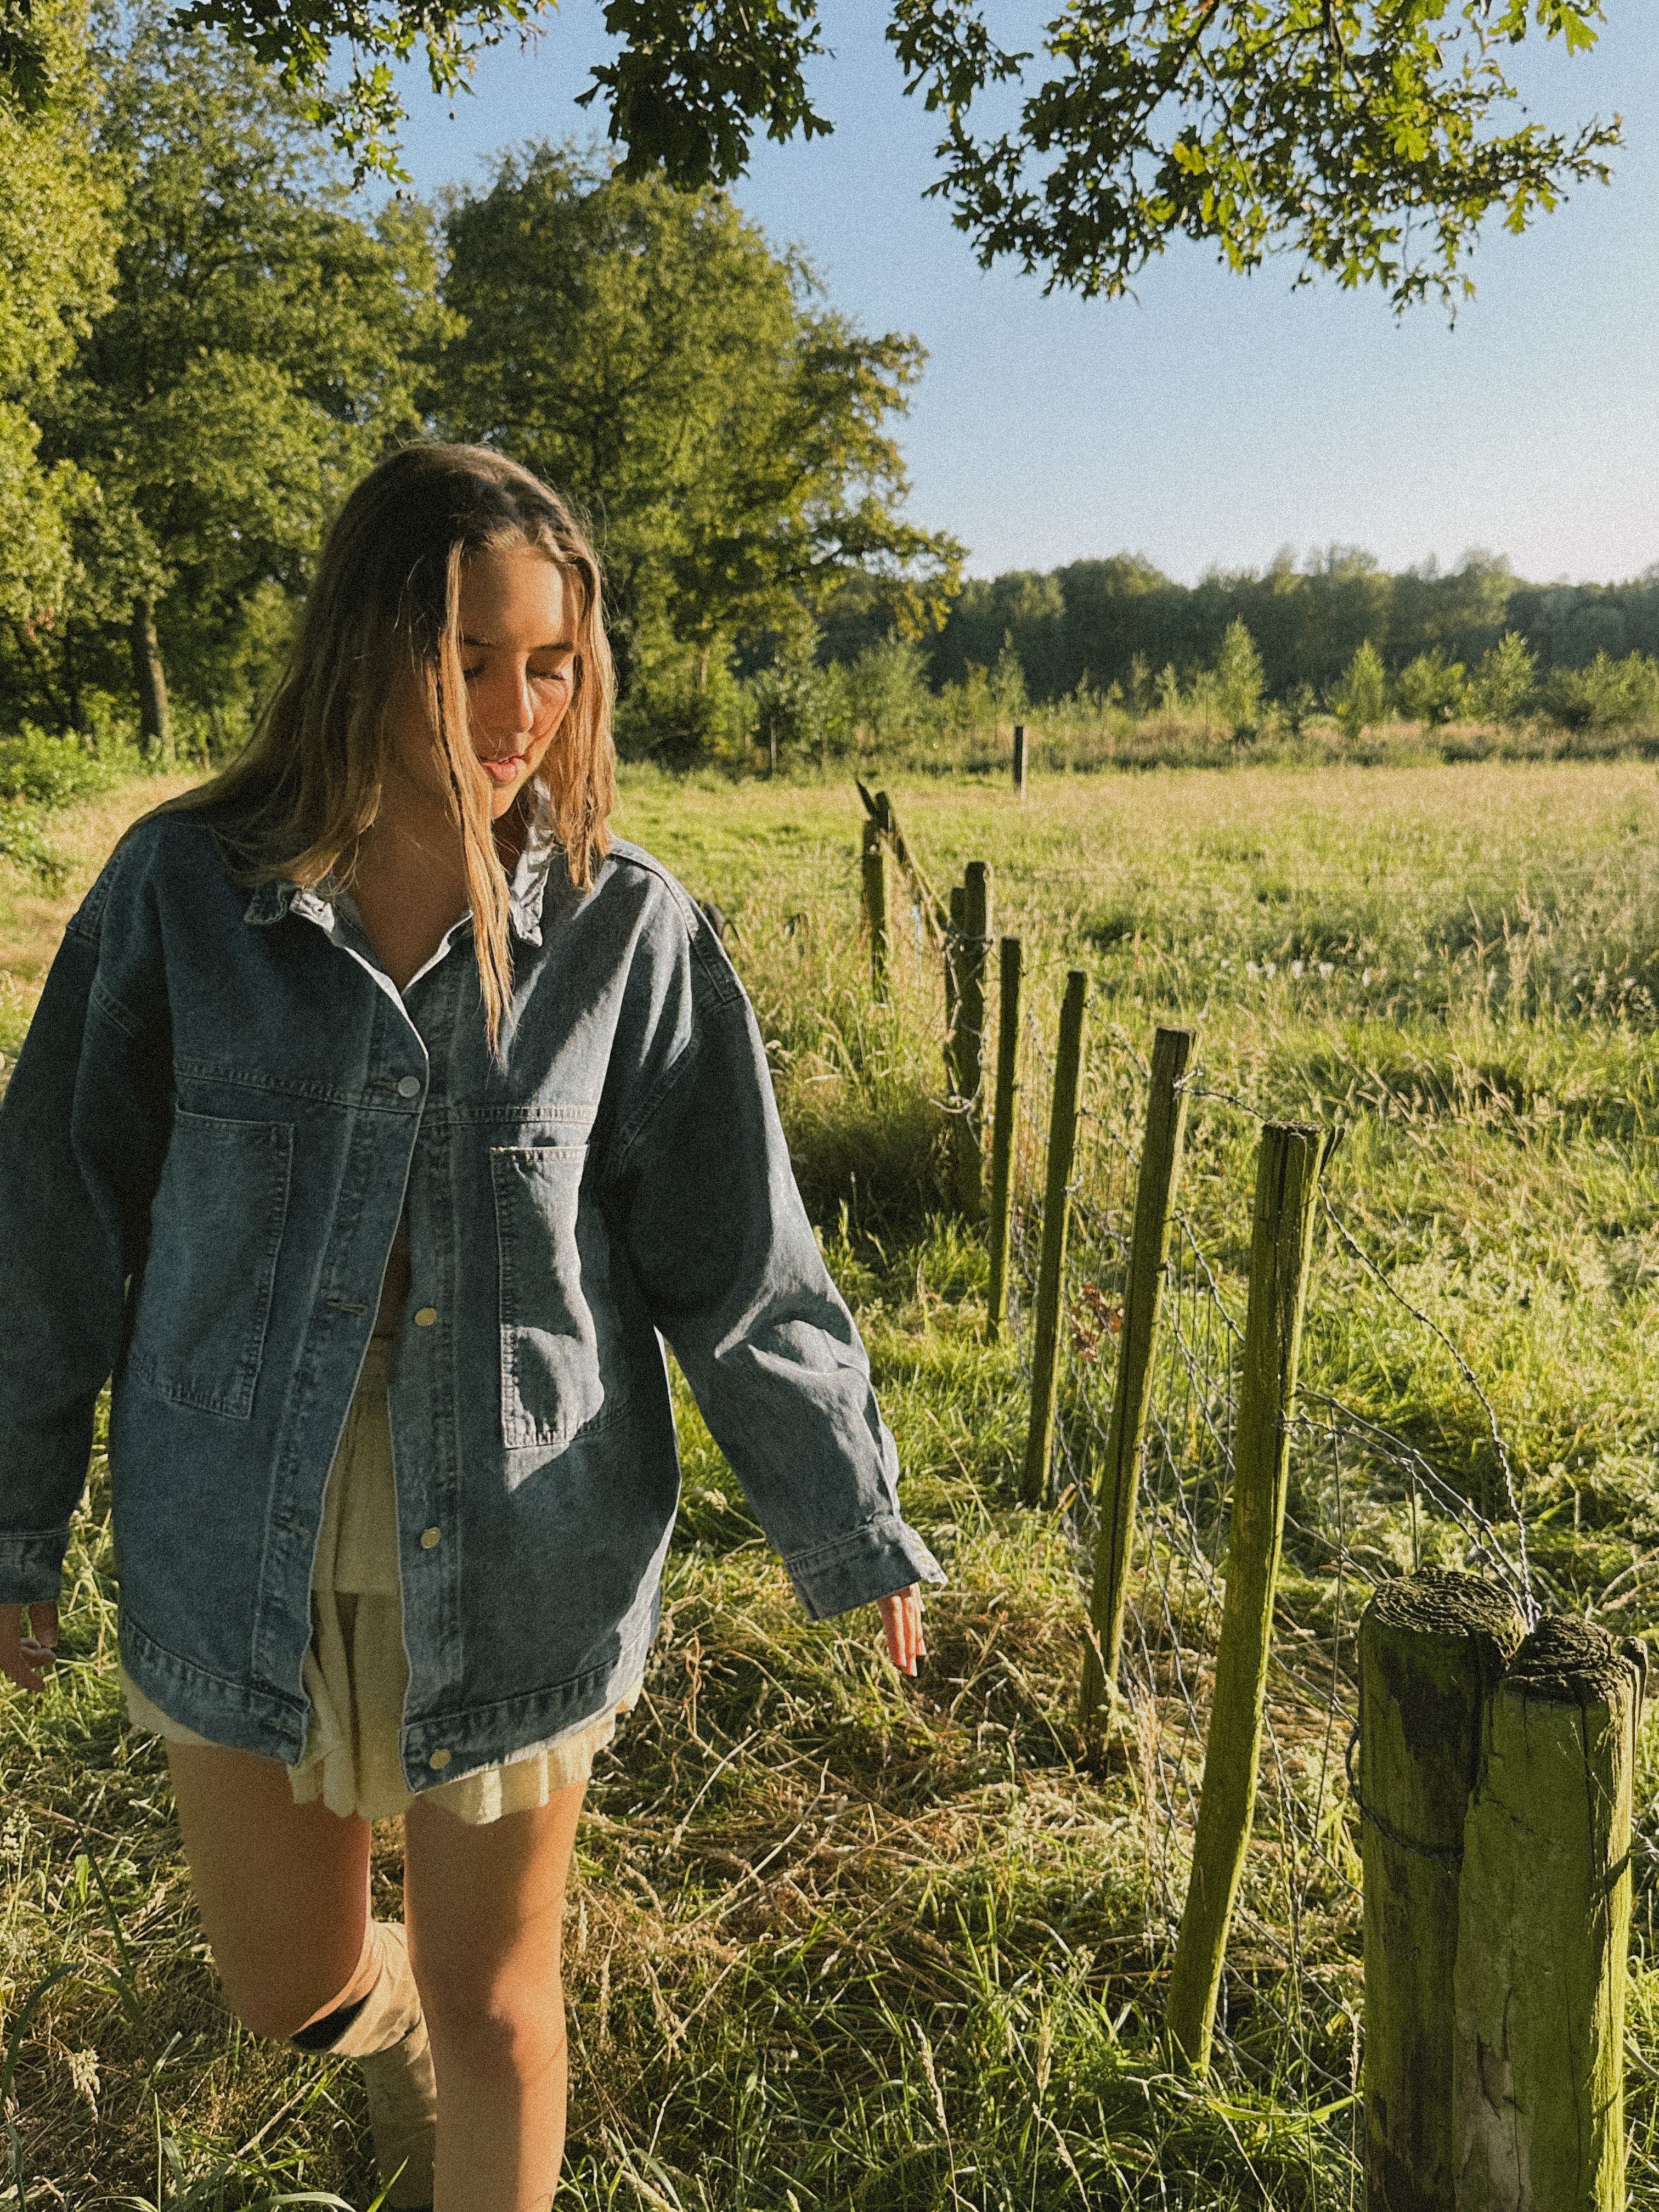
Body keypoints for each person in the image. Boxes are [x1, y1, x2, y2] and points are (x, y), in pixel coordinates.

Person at [0, 444, 941, 2212]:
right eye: (469, 653)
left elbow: (737, 1257)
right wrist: (12, 1512)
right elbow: (50, 1220)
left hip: (522, 1522)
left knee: (499, 2003)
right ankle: (395, 2076)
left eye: (552, 662)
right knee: (285, 1985)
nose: (514, 709)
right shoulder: (184, 897)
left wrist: (846, 1509)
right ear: (365, 642)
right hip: (232, 1507)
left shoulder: (622, 929)